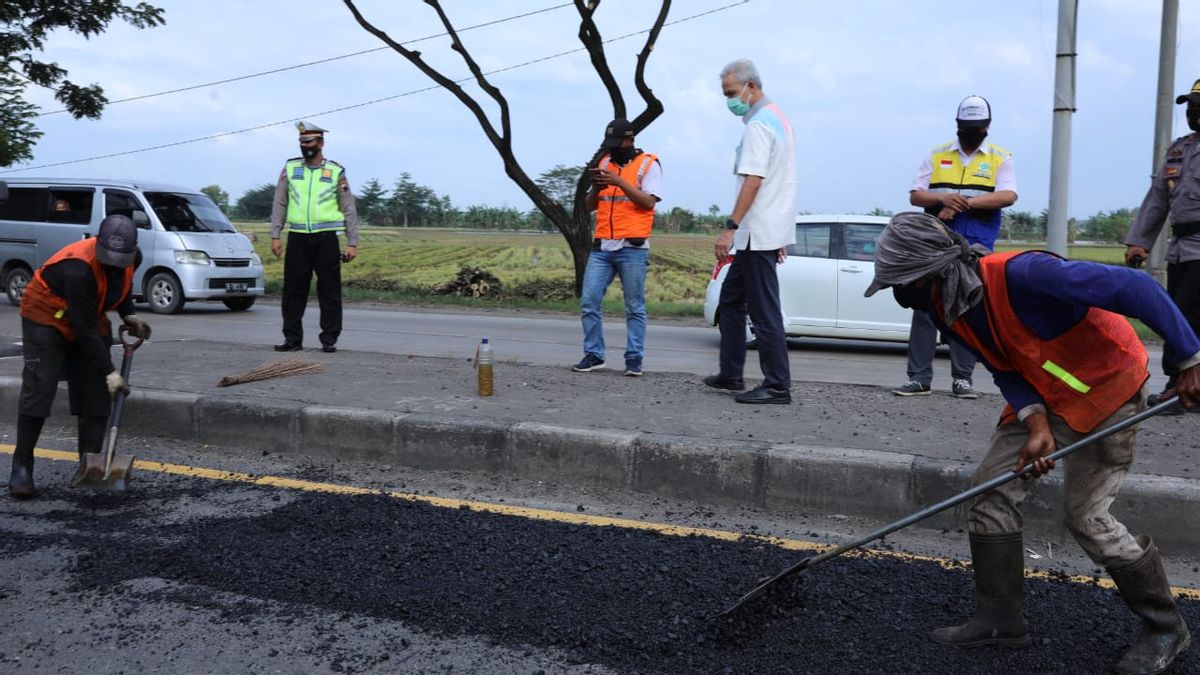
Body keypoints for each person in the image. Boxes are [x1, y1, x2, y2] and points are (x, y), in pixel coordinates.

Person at [865, 212, 1197, 675]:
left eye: (906, 284)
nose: (902, 298)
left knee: (1087, 517)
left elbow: (1137, 290)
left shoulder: (1027, 275)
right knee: (989, 491)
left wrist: (1189, 359)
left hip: (1108, 389)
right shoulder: (945, 307)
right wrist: (1036, 423)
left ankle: (1165, 627)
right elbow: (1004, 367)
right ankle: (1000, 620)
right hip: (1042, 394)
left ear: (935, 270)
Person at [9, 214, 152, 498]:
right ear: (98, 244)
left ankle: (90, 467)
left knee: (95, 395)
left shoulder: (132, 258)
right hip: (46, 319)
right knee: (41, 387)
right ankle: (21, 465)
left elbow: (118, 287)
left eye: (121, 259)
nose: (115, 264)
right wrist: (110, 372)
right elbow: (83, 328)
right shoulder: (78, 268)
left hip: (87, 316)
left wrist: (129, 314)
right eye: (109, 257)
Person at [895, 95, 1017, 400]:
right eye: (966, 128)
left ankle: (962, 379)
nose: (971, 133)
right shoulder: (937, 156)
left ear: (987, 127)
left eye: (976, 128)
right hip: (935, 242)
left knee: (964, 306)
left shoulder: (1000, 158)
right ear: (957, 125)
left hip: (975, 244)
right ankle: (919, 378)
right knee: (926, 307)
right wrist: (942, 199)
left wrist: (964, 204)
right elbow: (916, 196)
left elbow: (1008, 196)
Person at [703, 58, 797, 405]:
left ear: (750, 87)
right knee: (730, 300)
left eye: (731, 92)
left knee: (764, 311)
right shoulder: (778, 119)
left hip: (757, 233)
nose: (729, 99)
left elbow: (754, 181)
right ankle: (731, 373)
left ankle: (776, 386)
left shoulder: (759, 125)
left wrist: (729, 228)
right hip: (763, 233)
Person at [1125, 77, 1200, 412]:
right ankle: (1184, 386)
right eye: (1191, 108)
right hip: (1181, 248)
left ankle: (1179, 388)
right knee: (1177, 315)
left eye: (1199, 108)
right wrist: (1139, 242)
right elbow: (1157, 200)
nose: (1194, 114)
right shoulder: (1179, 150)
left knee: (1186, 316)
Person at [571, 119, 662, 377]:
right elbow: (590, 206)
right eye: (608, 145)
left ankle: (634, 359)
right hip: (602, 246)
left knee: (634, 306)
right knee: (589, 301)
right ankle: (594, 354)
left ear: (629, 140)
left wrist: (619, 182)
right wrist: (596, 189)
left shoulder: (648, 164)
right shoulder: (604, 164)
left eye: (615, 144)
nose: (611, 150)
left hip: (632, 247)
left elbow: (648, 203)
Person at [269, 121, 359, 353]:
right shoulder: (290, 168)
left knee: (329, 291)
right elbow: (280, 202)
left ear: (321, 143)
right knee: (293, 290)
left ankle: (329, 338)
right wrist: (275, 235)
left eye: (309, 142)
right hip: (297, 237)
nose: (305, 146)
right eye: (301, 142)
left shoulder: (336, 171)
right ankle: (292, 339)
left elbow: (348, 207)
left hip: (326, 238)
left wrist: (352, 242)